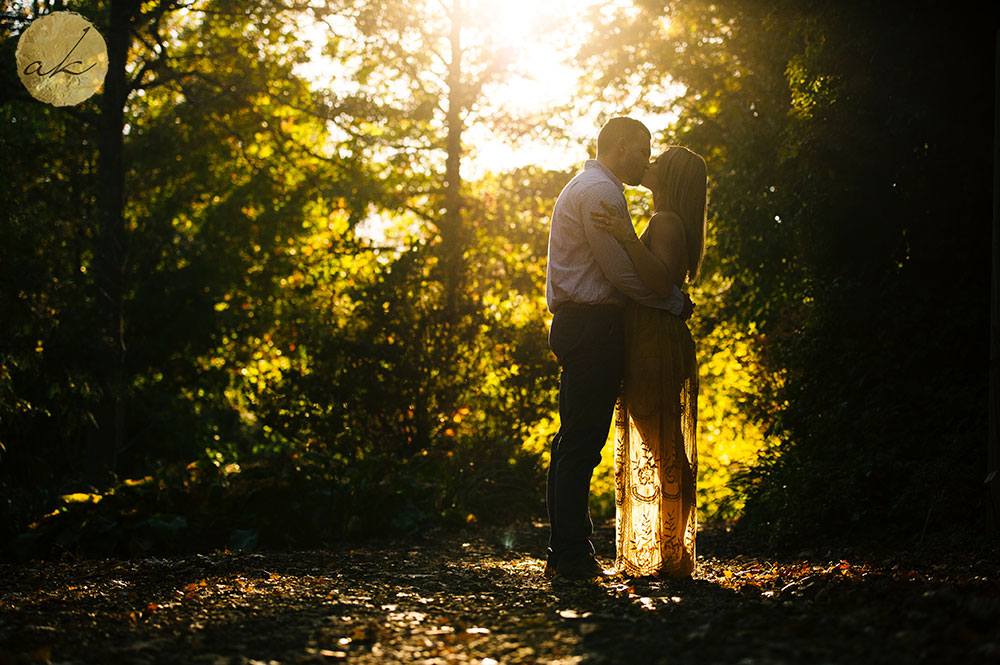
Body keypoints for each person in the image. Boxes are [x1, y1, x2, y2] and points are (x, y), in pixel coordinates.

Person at [543, 118, 692, 580]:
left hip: (592, 327)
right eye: (644, 150)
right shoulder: (600, 193)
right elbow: (619, 275)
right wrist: (672, 300)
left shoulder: (595, 188)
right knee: (581, 443)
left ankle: (569, 550)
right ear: (622, 146)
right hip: (591, 326)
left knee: (578, 440)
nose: (647, 161)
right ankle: (568, 555)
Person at [591, 145, 707, 578]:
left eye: (659, 163)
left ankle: (675, 553)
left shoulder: (665, 222)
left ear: (672, 178)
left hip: (654, 340)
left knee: (665, 447)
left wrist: (623, 235)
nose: (648, 164)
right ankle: (673, 550)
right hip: (652, 337)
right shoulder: (669, 222)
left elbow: (658, 283)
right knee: (663, 445)